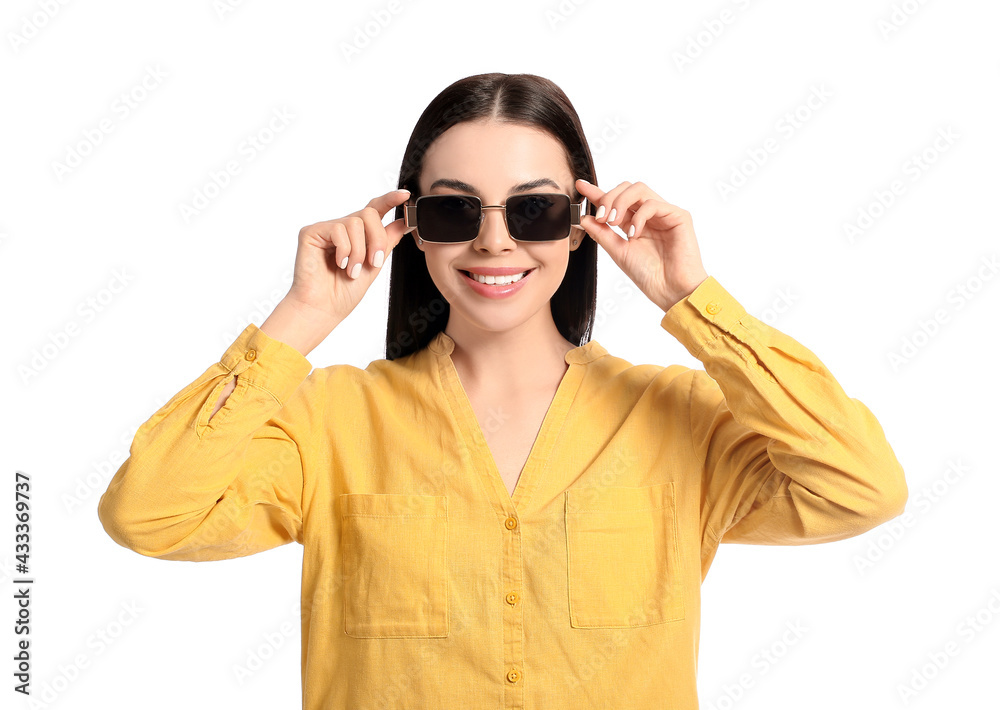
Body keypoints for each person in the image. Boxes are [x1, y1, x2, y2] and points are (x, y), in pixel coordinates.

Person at [97, 72, 908, 709]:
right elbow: (148, 513)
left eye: (536, 210)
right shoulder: (327, 421)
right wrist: (300, 319)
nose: (493, 239)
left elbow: (863, 488)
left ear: (583, 220)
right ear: (410, 226)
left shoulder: (682, 421)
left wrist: (692, 301)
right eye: (454, 212)